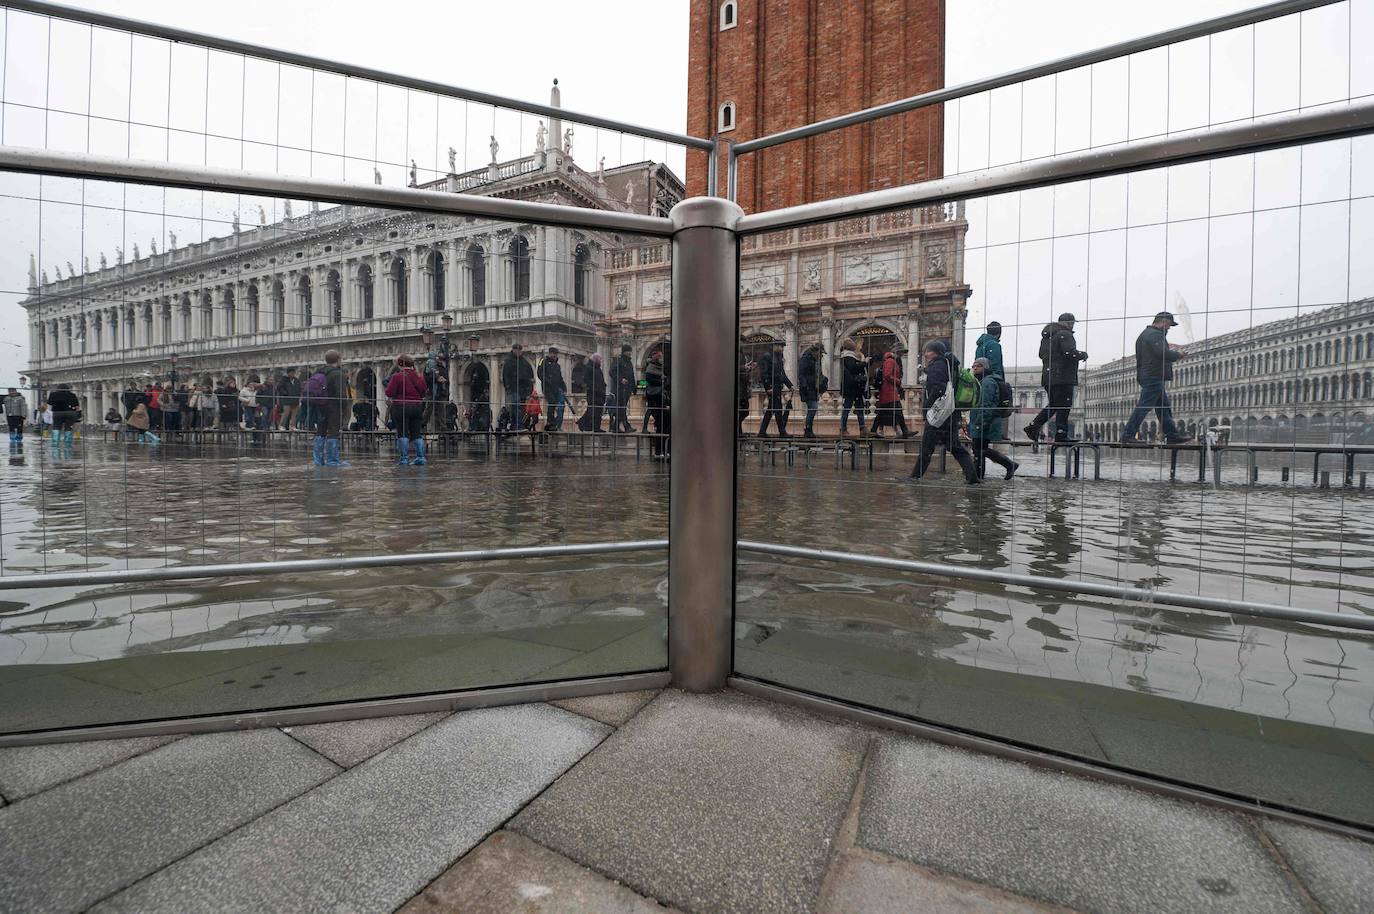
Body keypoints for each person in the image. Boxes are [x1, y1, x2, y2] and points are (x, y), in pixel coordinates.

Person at [910, 340, 979, 485]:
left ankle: (914, 477)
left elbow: (938, 390)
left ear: (934, 352)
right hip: (951, 412)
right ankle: (972, 477)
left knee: (926, 447)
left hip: (938, 414)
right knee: (955, 447)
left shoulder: (937, 366)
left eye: (927, 351)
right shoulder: (950, 365)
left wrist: (928, 408)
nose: (925, 354)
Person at [1120, 311, 1194, 445]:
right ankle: (1127, 435)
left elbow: (1156, 351)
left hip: (1150, 375)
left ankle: (1172, 435)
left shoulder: (1147, 334)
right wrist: (1178, 355)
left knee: (1163, 408)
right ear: (1164, 321)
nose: (1169, 328)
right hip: (1153, 375)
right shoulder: (1154, 334)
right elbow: (1162, 353)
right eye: (1169, 325)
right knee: (1144, 406)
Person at [1025, 312, 1088, 443]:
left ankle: (1033, 426)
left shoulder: (1047, 337)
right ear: (1068, 323)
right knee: (1064, 405)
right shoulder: (1065, 334)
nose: (1072, 326)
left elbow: (1041, 355)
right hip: (1063, 377)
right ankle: (1061, 433)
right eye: (1072, 323)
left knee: (1055, 404)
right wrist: (1082, 355)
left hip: (1049, 377)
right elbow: (1069, 353)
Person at [969, 357, 1018, 480]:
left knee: (979, 449)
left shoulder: (987, 382)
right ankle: (978, 475)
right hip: (985, 419)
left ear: (985, 368)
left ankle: (1008, 464)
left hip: (985, 420)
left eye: (978, 366)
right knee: (980, 449)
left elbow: (986, 405)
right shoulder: (984, 381)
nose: (974, 368)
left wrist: (981, 422)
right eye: (973, 365)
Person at [384, 354, 428, 465]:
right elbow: (424, 392)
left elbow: (389, 392)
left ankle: (404, 458)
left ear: (400, 364)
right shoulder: (419, 377)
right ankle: (421, 457)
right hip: (417, 407)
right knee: (417, 433)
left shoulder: (397, 377)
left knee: (402, 433)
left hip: (401, 407)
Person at [310, 350, 350, 467]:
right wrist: (344, 407)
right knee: (333, 432)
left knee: (320, 431)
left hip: (320, 405)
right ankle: (332, 461)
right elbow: (340, 393)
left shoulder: (318, 371)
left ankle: (318, 460)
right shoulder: (338, 374)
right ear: (338, 360)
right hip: (333, 406)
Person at [872, 347, 912, 438]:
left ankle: (873, 430)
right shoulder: (890, 361)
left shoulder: (893, 361)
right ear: (897, 352)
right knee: (897, 411)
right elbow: (887, 375)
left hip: (888, 391)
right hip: (889, 391)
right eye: (901, 352)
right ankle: (905, 431)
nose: (902, 354)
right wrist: (898, 381)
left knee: (882, 413)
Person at [756, 339, 793, 437]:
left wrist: (790, 385)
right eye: (780, 346)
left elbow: (782, 374)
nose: (782, 348)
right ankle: (782, 432)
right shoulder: (767, 357)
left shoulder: (779, 357)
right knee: (777, 410)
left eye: (783, 347)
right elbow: (764, 374)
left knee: (772, 410)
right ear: (774, 346)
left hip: (777, 387)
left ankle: (762, 432)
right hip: (772, 387)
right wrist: (768, 387)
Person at [838, 340, 868, 437]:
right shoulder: (848, 357)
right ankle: (843, 428)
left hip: (854, 387)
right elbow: (854, 368)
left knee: (859, 408)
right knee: (848, 408)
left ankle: (862, 428)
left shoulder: (849, 356)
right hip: (851, 387)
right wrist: (864, 363)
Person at [501, 343, 534, 426]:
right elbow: (505, 375)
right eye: (517, 350)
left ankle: (519, 424)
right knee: (516, 405)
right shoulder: (509, 361)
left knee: (522, 407)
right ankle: (516, 424)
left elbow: (529, 376)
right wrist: (508, 387)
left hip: (523, 388)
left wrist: (529, 388)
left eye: (520, 350)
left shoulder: (524, 361)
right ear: (513, 350)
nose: (519, 352)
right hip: (513, 387)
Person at [798, 341, 826, 439]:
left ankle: (809, 430)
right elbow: (801, 374)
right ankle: (808, 431)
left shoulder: (816, 360)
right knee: (812, 408)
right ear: (816, 351)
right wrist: (805, 386)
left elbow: (819, 374)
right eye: (821, 353)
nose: (821, 355)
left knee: (812, 410)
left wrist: (823, 382)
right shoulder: (806, 358)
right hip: (808, 388)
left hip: (814, 388)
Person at [537, 347, 568, 431]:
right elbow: (539, 373)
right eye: (553, 353)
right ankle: (550, 422)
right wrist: (547, 381)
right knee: (552, 402)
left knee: (560, 406)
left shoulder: (557, 365)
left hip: (556, 388)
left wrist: (563, 387)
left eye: (555, 354)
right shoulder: (543, 361)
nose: (554, 355)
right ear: (550, 353)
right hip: (547, 387)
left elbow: (560, 378)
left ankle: (557, 423)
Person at [644, 348, 668, 457]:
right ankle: (658, 451)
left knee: (663, 423)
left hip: (660, 397)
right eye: (660, 357)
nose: (662, 359)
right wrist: (661, 382)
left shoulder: (660, 368)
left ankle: (664, 450)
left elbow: (665, 381)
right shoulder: (650, 368)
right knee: (658, 422)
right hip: (654, 397)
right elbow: (649, 379)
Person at [609, 344, 636, 432]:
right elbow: (612, 372)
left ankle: (615, 427)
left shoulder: (629, 363)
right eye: (629, 351)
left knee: (622, 408)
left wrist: (634, 387)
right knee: (621, 408)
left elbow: (632, 376)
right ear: (625, 351)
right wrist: (620, 379)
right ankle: (626, 426)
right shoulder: (618, 361)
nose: (630, 353)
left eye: (630, 351)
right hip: (619, 388)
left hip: (627, 389)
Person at [580, 353, 608, 432]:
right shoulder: (589, 368)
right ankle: (594, 427)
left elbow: (600, 380)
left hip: (600, 393)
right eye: (599, 359)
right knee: (593, 410)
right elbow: (586, 380)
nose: (601, 361)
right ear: (595, 359)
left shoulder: (598, 369)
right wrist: (593, 387)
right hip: (593, 393)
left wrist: (604, 385)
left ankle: (587, 425)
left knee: (597, 410)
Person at [737, 342, 756, 436]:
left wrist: (748, 368)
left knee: (744, 411)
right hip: (739, 389)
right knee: (742, 411)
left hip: (743, 388)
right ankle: (738, 431)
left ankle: (739, 431)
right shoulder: (737, 354)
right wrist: (744, 367)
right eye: (743, 343)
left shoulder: (743, 355)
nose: (744, 345)